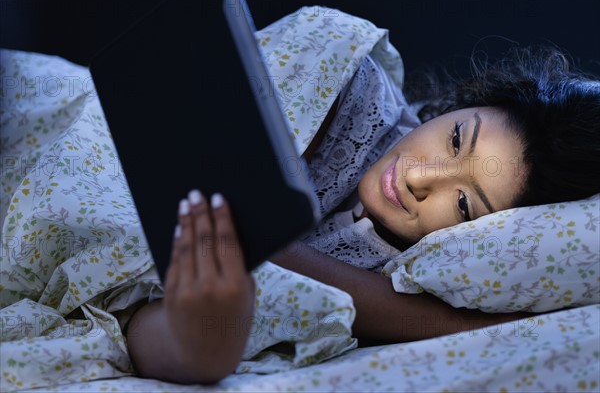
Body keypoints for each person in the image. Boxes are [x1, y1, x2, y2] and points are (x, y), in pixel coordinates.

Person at [125, 43, 600, 383]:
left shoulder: (403, 281)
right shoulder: (351, 92)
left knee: (209, 321)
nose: (418, 179)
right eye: (457, 139)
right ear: (470, 103)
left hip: (160, 320)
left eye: (462, 205)